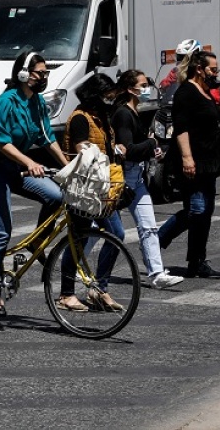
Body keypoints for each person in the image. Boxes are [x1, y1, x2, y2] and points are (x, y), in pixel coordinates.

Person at [0, 51, 68, 316]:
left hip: (14, 169)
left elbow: (47, 137)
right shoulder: (7, 101)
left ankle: (37, 242)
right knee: (1, 233)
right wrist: (29, 162)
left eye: (46, 73)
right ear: (24, 74)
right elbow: (0, 142)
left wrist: (67, 166)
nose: (44, 78)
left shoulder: (37, 102)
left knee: (57, 196)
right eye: (40, 73)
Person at [56, 73, 128, 312]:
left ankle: (99, 289)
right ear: (94, 95)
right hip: (83, 189)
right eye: (107, 95)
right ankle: (66, 294)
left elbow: (104, 146)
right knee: (79, 239)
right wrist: (95, 154)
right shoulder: (80, 118)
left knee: (116, 235)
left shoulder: (101, 117)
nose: (110, 98)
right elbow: (81, 149)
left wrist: (115, 150)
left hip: (101, 187)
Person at [157, 50, 220, 279]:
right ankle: (156, 240)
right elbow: (181, 128)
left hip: (209, 162)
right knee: (197, 210)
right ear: (199, 69)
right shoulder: (186, 92)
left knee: (205, 211)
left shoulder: (205, 90)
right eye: (212, 69)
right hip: (193, 161)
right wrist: (187, 158)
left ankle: (197, 261)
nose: (215, 73)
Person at [112, 69, 184, 289]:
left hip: (137, 179)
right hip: (122, 178)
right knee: (102, 228)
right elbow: (129, 151)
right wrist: (151, 144)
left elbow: (138, 148)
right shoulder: (123, 114)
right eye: (142, 86)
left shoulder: (135, 111)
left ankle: (156, 274)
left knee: (149, 227)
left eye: (147, 85)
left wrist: (152, 151)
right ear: (129, 89)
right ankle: (76, 265)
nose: (146, 89)